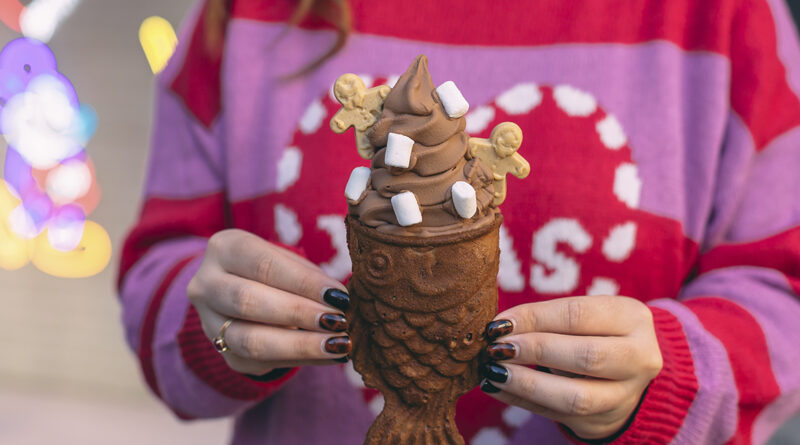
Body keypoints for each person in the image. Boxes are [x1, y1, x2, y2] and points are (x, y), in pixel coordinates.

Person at [118, 0, 800, 443]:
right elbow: (161, 270)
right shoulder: (244, 16)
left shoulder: (727, 19)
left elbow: (782, 292)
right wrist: (212, 323)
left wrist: (673, 375)